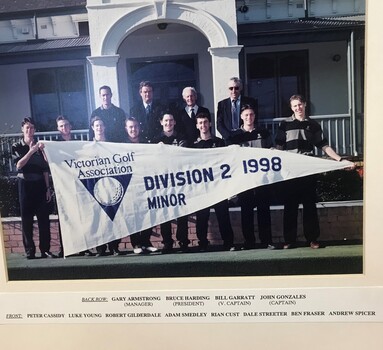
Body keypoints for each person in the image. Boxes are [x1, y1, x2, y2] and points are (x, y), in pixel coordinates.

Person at [274, 94, 355, 249]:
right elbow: (278, 148)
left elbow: (324, 146)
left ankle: (312, 239)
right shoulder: (284, 125)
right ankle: (289, 240)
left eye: (300, 105)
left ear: (304, 105)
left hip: (308, 170)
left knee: (309, 205)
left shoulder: (314, 125)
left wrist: (340, 160)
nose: (298, 108)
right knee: (290, 206)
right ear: (291, 108)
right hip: (290, 171)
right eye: (294, 106)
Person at [230, 105, 275, 250]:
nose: (249, 117)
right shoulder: (235, 136)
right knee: (246, 212)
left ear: (254, 116)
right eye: (246, 115)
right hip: (245, 180)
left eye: (251, 115)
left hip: (262, 179)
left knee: (263, 210)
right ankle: (249, 242)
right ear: (241, 117)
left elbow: (271, 151)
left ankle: (266, 241)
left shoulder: (264, 132)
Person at [11, 117, 54, 259]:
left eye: (32, 128)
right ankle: (30, 250)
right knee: (27, 219)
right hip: (25, 184)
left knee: (43, 219)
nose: (30, 130)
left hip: (40, 185)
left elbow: (45, 169)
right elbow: (19, 165)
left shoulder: (40, 146)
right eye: (27, 128)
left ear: (35, 130)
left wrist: (48, 188)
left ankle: (45, 249)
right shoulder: (17, 146)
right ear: (22, 129)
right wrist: (30, 151)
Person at [193, 113, 235, 251]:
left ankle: (229, 243)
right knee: (202, 217)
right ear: (197, 125)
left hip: (218, 186)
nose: (203, 125)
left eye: (205, 122)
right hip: (201, 188)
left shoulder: (219, 142)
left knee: (223, 214)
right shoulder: (192, 146)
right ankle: (203, 243)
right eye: (200, 123)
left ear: (210, 124)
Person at [55, 115, 94, 257]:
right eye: (61, 126)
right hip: (63, 185)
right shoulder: (54, 146)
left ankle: (85, 247)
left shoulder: (78, 144)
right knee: (65, 216)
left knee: (82, 216)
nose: (64, 128)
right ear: (58, 129)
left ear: (70, 127)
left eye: (66, 125)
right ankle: (65, 248)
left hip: (79, 184)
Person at [151, 113, 189, 253]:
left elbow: (183, 156)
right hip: (163, 182)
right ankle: (167, 242)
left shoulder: (181, 138)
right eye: (166, 120)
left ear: (174, 122)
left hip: (179, 181)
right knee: (165, 212)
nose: (168, 123)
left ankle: (183, 241)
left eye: (171, 120)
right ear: (161, 122)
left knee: (182, 212)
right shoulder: (156, 140)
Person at [124, 117, 158, 254]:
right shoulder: (120, 146)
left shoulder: (146, 143)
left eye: (136, 126)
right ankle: (136, 244)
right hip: (130, 185)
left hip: (145, 184)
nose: (133, 129)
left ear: (139, 127)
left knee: (147, 213)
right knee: (133, 214)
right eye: (131, 127)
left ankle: (146, 241)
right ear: (126, 129)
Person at [91, 116, 122, 256]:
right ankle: (101, 249)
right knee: (99, 217)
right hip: (97, 185)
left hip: (111, 183)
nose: (99, 128)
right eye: (96, 125)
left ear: (104, 127)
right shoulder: (88, 146)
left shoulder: (111, 145)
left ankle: (114, 247)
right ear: (93, 128)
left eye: (101, 125)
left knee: (113, 216)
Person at [216, 77, 257, 143]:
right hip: (228, 139)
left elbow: (254, 120)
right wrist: (228, 136)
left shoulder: (250, 102)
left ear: (240, 88)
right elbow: (219, 124)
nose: (233, 91)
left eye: (236, 88)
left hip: (245, 139)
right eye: (231, 88)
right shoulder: (222, 104)